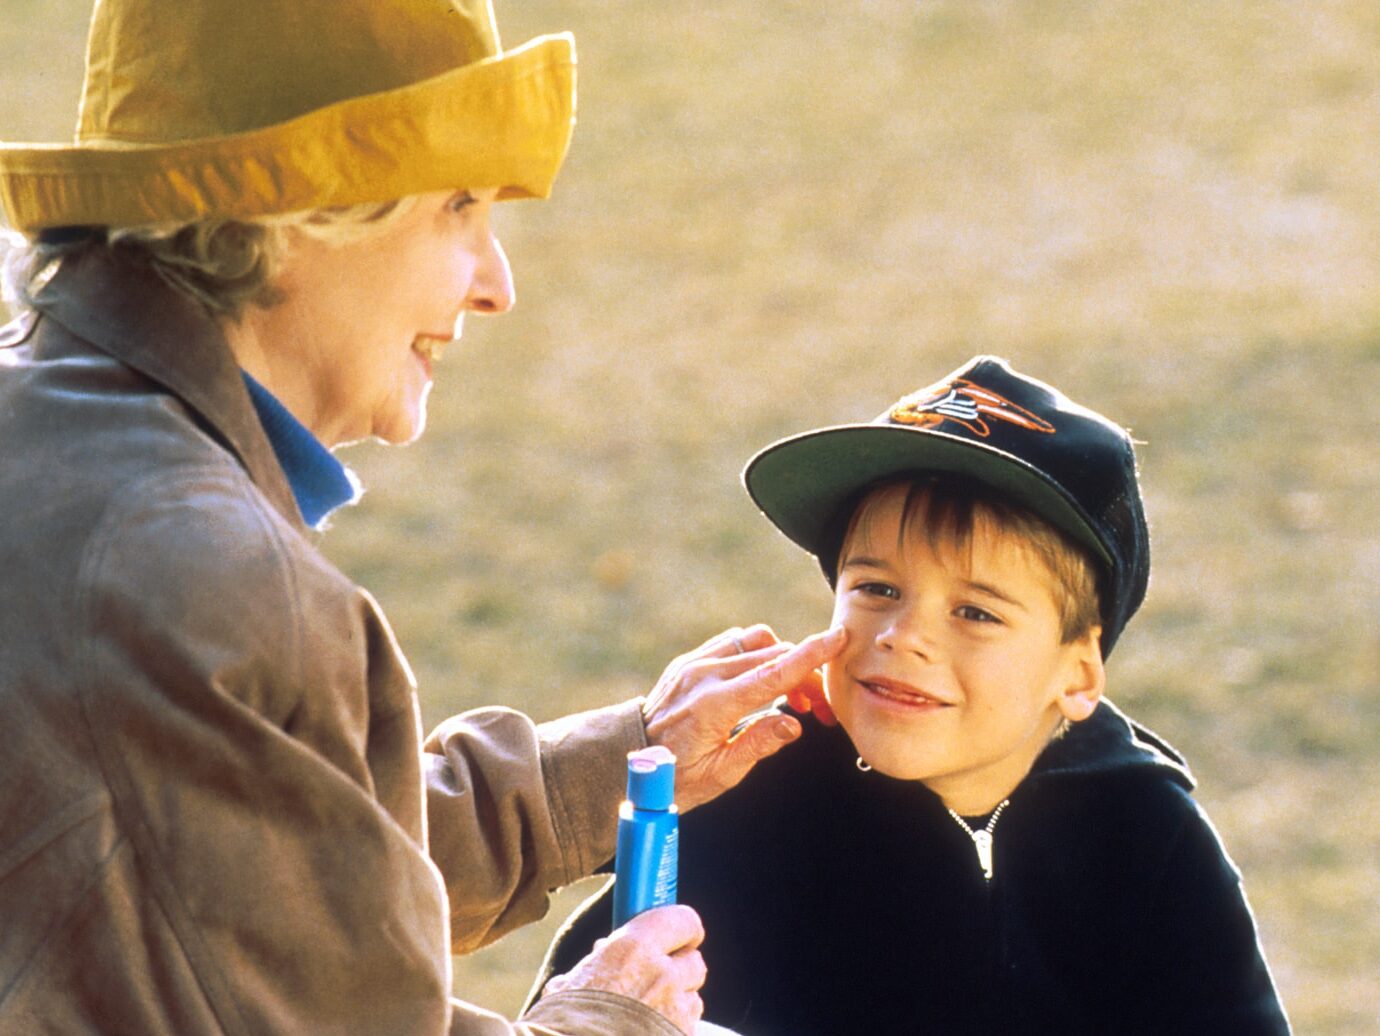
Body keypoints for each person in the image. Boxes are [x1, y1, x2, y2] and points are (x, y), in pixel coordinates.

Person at [0, 2, 843, 1034]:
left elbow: (250, 875)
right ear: (300, 208)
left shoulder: (54, 432)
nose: (498, 285)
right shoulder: (208, 575)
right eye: (457, 208)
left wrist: (612, 761)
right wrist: (610, 1015)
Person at [538, 355, 1293, 1034]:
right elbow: (590, 1005)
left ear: (1078, 673)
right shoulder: (748, 807)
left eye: (976, 612)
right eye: (876, 588)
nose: (903, 636)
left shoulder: (1149, 840)